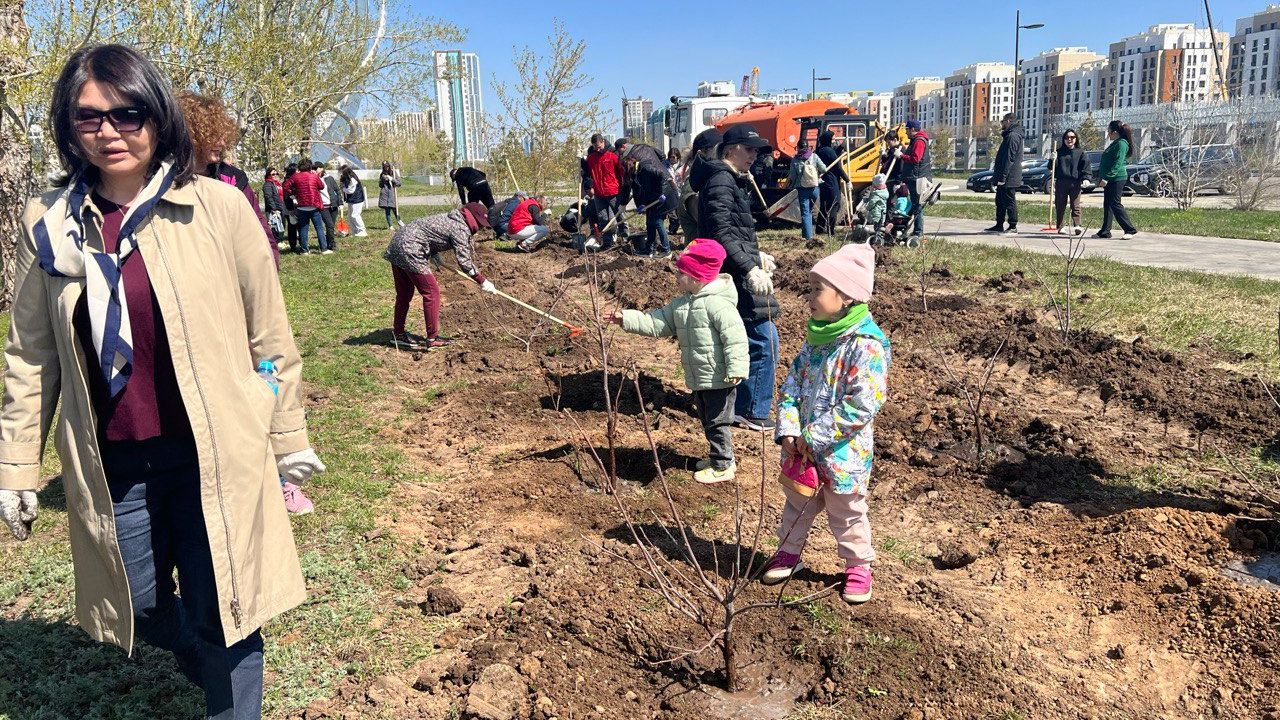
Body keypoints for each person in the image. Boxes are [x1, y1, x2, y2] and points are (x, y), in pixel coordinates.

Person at [0, 43, 326, 719]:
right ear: (67, 126)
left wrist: (288, 435)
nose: (110, 131)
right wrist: (15, 468)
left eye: (129, 113)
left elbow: (270, 335)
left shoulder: (219, 208)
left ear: (157, 117)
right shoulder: (50, 224)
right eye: (90, 117)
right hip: (114, 460)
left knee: (228, 613)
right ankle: (196, 648)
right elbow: (30, 356)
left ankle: (225, 688)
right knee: (139, 606)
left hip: (214, 451)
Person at [761, 243, 890, 605]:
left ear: (846, 295)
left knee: (846, 511)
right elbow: (792, 386)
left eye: (818, 288)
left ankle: (858, 565)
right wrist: (788, 429)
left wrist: (814, 436)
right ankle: (788, 552)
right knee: (797, 503)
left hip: (843, 454)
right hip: (804, 450)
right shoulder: (815, 340)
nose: (809, 297)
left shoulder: (866, 346)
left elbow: (863, 403)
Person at [607, 238, 748, 484]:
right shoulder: (682, 305)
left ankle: (723, 465)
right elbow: (657, 323)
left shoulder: (719, 305)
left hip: (720, 377)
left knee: (718, 421)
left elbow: (736, 339)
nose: (676, 277)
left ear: (696, 277)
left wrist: (736, 368)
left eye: (681, 273)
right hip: (701, 377)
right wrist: (626, 319)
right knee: (707, 418)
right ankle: (718, 458)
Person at [695, 124, 780, 432]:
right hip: (734, 275)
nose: (754, 156)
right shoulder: (721, 181)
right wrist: (750, 267)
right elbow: (719, 234)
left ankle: (736, 404)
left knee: (743, 338)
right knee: (763, 338)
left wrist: (756, 256)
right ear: (730, 150)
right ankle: (751, 410)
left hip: (733, 268)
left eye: (757, 150)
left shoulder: (729, 180)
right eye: (750, 149)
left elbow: (730, 231)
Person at [176, 90, 279, 268]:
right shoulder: (163, 180)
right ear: (191, 135)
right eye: (212, 135)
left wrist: (270, 264)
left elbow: (259, 228)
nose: (222, 143)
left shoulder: (233, 177)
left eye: (223, 135)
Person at [383, 202, 495, 349]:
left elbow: (430, 232)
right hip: (411, 249)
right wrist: (482, 280)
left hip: (398, 244)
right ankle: (432, 338)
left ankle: (398, 335)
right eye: (480, 224)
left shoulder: (451, 218)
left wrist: (433, 253)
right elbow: (464, 261)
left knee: (404, 294)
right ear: (472, 218)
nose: (480, 228)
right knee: (431, 292)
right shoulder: (461, 227)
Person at [621, 142, 679, 257]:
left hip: (664, 195)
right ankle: (649, 249)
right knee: (649, 222)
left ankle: (666, 250)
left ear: (631, 161)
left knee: (657, 222)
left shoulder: (645, 167)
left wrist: (662, 194)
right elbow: (641, 190)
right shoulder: (636, 172)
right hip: (653, 198)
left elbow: (662, 175)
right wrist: (641, 204)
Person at [677, 129, 722, 244]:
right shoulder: (692, 187)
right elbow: (713, 226)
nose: (724, 155)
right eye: (719, 150)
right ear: (701, 154)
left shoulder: (711, 180)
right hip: (704, 257)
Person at [1096, 120, 1138, 240]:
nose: (1108, 134)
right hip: (1111, 177)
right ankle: (1105, 231)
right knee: (1108, 204)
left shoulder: (1121, 144)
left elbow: (1118, 163)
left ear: (1114, 132)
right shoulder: (1116, 142)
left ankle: (1129, 229)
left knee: (1115, 203)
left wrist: (1106, 178)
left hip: (1116, 178)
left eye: (1109, 132)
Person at [985, 113, 1023, 235]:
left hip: (1009, 177)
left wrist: (1003, 177)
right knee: (1000, 201)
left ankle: (1013, 226)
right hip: (1004, 176)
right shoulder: (1009, 135)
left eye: (1002, 121)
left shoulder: (1013, 136)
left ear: (1008, 121)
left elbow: (1009, 158)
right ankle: (999, 224)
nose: (1001, 124)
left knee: (1009, 200)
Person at [586, 133, 625, 250]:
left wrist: (622, 186)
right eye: (595, 147)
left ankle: (625, 237)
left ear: (603, 142)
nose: (598, 149)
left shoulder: (612, 155)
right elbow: (587, 174)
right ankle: (607, 242)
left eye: (599, 146)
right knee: (603, 218)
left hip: (613, 191)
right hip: (598, 193)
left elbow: (621, 172)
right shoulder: (591, 158)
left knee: (619, 215)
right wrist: (589, 186)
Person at [282, 158, 328, 254]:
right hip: (314, 205)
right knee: (319, 227)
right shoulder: (313, 176)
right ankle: (323, 249)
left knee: (303, 228)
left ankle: (304, 250)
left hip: (301, 206)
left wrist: (293, 193)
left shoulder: (295, 177)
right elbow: (321, 186)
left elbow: (285, 186)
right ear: (310, 166)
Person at [787, 139, 828, 242]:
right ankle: (806, 234)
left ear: (798, 148)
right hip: (814, 188)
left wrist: (789, 186)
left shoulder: (795, 160)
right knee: (809, 211)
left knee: (805, 213)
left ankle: (807, 237)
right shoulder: (814, 156)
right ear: (808, 146)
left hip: (802, 189)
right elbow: (824, 169)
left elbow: (792, 176)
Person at [896, 120, 932, 239]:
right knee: (915, 204)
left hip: (918, 178)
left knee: (917, 205)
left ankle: (918, 232)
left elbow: (916, 158)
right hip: (915, 177)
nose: (905, 132)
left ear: (912, 129)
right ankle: (914, 229)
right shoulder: (916, 140)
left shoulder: (919, 141)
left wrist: (901, 156)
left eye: (907, 129)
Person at [1053, 128, 1091, 236]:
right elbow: (1051, 168)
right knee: (1060, 204)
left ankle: (1077, 225)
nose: (1069, 140)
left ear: (1076, 139)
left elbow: (1086, 166)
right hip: (1061, 182)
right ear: (1064, 139)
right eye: (1067, 138)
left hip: (1075, 182)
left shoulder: (1081, 152)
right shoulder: (1059, 152)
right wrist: (1052, 160)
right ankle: (1060, 226)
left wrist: (1086, 178)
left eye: (1072, 137)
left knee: (1075, 204)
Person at [816, 130, 850, 236]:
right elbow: (837, 166)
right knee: (834, 205)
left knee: (824, 206)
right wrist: (847, 180)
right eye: (833, 138)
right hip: (831, 181)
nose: (834, 140)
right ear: (829, 139)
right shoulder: (829, 151)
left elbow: (834, 154)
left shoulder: (820, 150)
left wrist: (841, 147)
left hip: (822, 181)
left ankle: (819, 229)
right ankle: (831, 230)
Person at [319, 165, 343, 248]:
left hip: (333, 205)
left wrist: (340, 203)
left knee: (331, 225)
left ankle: (329, 242)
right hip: (323, 207)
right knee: (329, 225)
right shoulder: (314, 179)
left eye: (317, 168)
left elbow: (337, 190)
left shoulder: (329, 178)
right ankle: (331, 244)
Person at [341, 165, 368, 237]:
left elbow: (351, 190)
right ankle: (355, 231)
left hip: (357, 199)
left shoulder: (353, 179)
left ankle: (362, 230)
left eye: (342, 172)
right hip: (351, 199)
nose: (341, 174)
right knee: (350, 216)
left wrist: (343, 189)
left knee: (355, 215)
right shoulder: (346, 178)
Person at [262, 167, 287, 246]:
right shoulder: (268, 184)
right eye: (273, 174)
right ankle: (276, 243)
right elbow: (268, 196)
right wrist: (274, 208)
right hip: (273, 209)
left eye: (276, 174)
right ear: (269, 175)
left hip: (281, 207)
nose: (275, 175)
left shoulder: (277, 184)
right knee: (275, 226)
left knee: (281, 225)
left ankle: (280, 241)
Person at [379, 161, 404, 228]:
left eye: (387, 166)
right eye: (384, 167)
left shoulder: (393, 173)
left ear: (389, 166)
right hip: (385, 195)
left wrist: (392, 179)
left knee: (395, 209)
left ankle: (400, 222)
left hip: (392, 194)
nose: (386, 168)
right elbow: (380, 185)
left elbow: (399, 183)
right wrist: (383, 180)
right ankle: (390, 226)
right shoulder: (382, 174)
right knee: (387, 211)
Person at [282, 163, 300, 253]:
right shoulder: (287, 182)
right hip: (290, 208)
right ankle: (293, 246)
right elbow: (287, 196)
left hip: (296, 207)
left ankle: (299, 244)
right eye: (297, 170)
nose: (299, 172)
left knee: (297, 226)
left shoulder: (294, 180)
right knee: (292, 226)